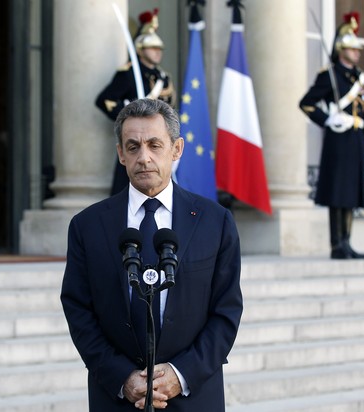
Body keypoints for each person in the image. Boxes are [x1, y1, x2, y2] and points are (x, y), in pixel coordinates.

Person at [61, 98, 242, 411]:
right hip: (116, 399)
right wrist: (122, 378)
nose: (143, 157)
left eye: (155, 145)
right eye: (133, 147)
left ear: (176, 150)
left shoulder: (216, 222)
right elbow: (79, 310)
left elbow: (225, 313)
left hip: (193, 396)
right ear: (120, 153)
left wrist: (180, 374)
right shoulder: (87, 226)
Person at [299, 12, 364, 260]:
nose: (357, 53)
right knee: (338, 193)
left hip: (356, 140)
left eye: (357, 50)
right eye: (352, 49)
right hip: (338, 140)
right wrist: (328, 119)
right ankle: (337, 244)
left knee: (352, 193)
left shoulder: (359, 79)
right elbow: (307, 103)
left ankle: (347, 242)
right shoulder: (328, 75)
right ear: (341, 49)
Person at [95, 8, 176, 196]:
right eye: (152, 48)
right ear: (140, 49)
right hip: (136, 138)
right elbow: (104, 100)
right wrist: (127, 117)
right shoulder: (129, 73)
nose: (157, 53)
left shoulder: (163, 77)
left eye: (159, 49)